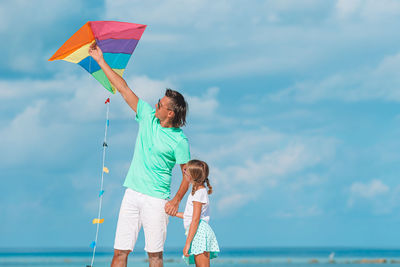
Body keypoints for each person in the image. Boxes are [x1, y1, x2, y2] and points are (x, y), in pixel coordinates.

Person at [89, 43, 191, 267]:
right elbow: (124, 89)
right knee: (119, 252)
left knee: (154, 256)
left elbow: (188, 175)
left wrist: (176, 200)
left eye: (161, 104)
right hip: (132, 193)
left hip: (157, 200)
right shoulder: (148, 117)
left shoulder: (179, 141)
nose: (156, 104)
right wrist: (100, 61)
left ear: (170, 113)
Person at [175, 159, 220, 266]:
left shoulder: (199, 193)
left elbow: (195, 219)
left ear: (192, 176)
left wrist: (187, 244)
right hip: (196, 232)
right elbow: (190, 216)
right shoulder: (197, 191)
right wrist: (174, 213)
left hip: (199, 233)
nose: (184, 172)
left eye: (186, 171)